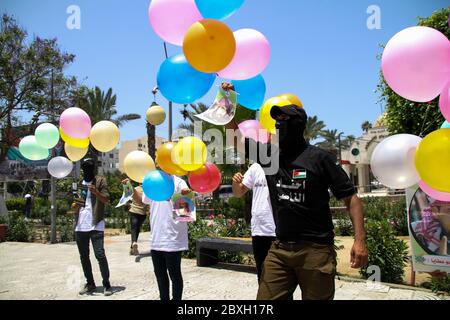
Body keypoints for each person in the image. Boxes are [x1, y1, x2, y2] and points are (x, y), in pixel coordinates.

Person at [225, 87, 368, 300]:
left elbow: (351, 198)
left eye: (284, 119)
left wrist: (360, 241)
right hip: (280, 248)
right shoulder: (270, 157)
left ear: (298, 124)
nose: (278, 124)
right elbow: (235, 139)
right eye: (277, 120)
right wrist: (228, 100)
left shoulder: (319, 159)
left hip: (316, 250)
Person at [142, 176, 192, 300]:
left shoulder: (179, 182)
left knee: (174, 275)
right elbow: (144, 200)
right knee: (160, 276)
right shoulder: (152, 180)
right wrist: (130, 192)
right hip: (156, 238)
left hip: (173, 238)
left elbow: (185, 211)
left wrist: (184, 195)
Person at [71, 158, 112, 296]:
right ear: (82, 169)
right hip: (81, 226)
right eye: (85, 168)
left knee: (99, 254)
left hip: (96, 223)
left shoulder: (100, 181)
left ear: (94, 168)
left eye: (90, 167)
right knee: (84, 256)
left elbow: (106, 199)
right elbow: (76, 205)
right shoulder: (77, 184)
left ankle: (106, 284)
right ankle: (90, 283)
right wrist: (75, 206)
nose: (87, 170)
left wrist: (96, 192)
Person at [231, 163, 276, 283]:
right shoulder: (256, 167)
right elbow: (238, 192)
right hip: (259, 231)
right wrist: (235, 182)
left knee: (282, 279)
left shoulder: (283, 163)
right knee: (262, 275)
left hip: (278, 231)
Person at [121, 178, 149, 256]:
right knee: (137, 229)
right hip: (143, 213)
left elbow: (127, 196)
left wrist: (126, 205)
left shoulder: (136, 189)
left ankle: (134, 243)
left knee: (133, 229)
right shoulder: (148, 191)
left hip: (134, 211)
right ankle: (132, 247)